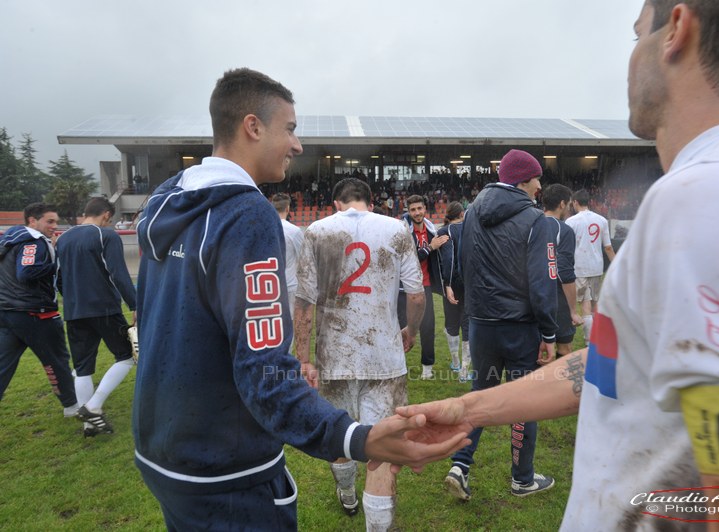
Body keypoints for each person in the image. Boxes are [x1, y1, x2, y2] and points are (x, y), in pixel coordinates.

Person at [399, 1, 719, 529]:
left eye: (636, 35)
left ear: (676, 30)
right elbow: (619, 364)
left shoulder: (716, 197)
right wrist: (470, 409)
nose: (630, 58)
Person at [131, 68, 467, 530]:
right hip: (227, 464)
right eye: (289, 128)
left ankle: (347, 494)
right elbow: (263, 371)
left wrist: (306, 355)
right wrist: (355, 438)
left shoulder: (167, 198)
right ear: (253, 127)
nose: (297, 145)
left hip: (161, 446)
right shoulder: (247, 214)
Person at [293, 177, 425, 530]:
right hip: (383, 356)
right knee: (382, 447)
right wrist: (411, 331)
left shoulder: (317, 231)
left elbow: (303, 303)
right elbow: (416, 295)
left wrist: (303, 358)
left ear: (336, 204)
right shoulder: (396, 228)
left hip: (334, 355)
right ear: (371, 201)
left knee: (340, 433)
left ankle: (347, 493)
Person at [444, 149, 558, 502]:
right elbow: (542, 281)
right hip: (519, 325)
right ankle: (522, 479)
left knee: (480, 394)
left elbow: (462, 264)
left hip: (481, 323)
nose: (539, 186)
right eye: (537, 178)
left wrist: (471, 306)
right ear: (523, 180)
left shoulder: (471, 214)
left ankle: (460, 465)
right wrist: (549, 332)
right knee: (524, 402)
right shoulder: (537, 220)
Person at [55, 196, 137, 437]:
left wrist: (73, 299)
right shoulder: (106, 235)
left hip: (74, 311)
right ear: (106, 215)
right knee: (126, 357)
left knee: (82, 368)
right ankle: (93, 407)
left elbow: (58, 278)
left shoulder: (63, 238)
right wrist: (135, 305)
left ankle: (89, 425)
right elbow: (118, 274)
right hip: (104, 308)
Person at [0, 203, 79, 416]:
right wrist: (58, 263)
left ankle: (72, 402)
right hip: (35, 313)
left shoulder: (9, 239)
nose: (54, 226)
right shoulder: (34, 240)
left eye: (56, 221)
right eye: (50, 221)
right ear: (32, 221)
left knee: (3, 366)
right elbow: (26, 272)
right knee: (57, 361)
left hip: (8, 312)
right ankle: (72, 406)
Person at [398, 195, 448, 380]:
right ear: (408, 211)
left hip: (424, 286)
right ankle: (398, 366)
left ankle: (427, 367)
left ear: (425, 209)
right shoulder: (403, 232)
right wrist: (430, 248)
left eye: (419, 208)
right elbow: (408, 260)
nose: (417, 212)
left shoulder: (432, 231)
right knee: (399, 328)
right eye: (413, 209)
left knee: (428, 327)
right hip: (403, 288)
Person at [565, 188, 615, 342]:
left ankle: (589, 342)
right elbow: (608, 247)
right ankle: (598, 338)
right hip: (597, 267)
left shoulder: (571, 222)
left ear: (575, 202)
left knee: (585, 305)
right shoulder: (602, 220)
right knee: (594, 304)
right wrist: (616, 265)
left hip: (579, 268)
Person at [541, 184, 583, 358]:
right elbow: (564, 273)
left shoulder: (530, 224)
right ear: (562, 204)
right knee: (564, 350)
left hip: (532, 298)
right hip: (556, 298)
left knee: (538, 351)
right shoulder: (563, 230)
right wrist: (572, 310)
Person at [436, 201, 471, 382]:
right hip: (470, 284)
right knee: (467, 324)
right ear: (462, 214)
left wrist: (447, 284)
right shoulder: (471, 229)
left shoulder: (444, 231)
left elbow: (448, 260)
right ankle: (464, 370)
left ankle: (456, 363)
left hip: (452, 283)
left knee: (451, 322)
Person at [270, 192, 304, 318]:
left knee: (273, 321)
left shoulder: (264, 229)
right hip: (289, 283)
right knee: (290, 321)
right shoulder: (294, 231)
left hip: (269, 284)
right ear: (288, 208)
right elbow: (303, 257)